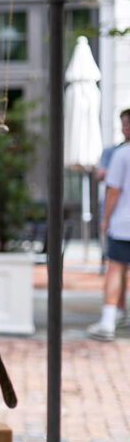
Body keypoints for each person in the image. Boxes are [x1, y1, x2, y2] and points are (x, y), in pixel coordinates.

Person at [88, 108, 130, 341]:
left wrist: (105, 218)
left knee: (116, 268)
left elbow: (113, 190)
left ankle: (107, 321)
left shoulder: (122, 154)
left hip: (124, 222)